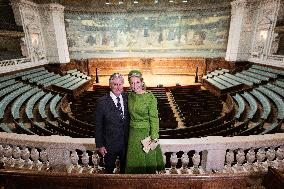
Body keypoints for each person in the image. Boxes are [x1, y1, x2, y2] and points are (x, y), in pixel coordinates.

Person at [125, 70, 165, 174]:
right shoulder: (130, 96)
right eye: (132, 83)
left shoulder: (149, 97)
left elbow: (154, 118)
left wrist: (154, 136)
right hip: (133, 133)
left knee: (147, 163)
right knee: (134, 162)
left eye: (137, 82)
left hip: (146, 134)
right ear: (129, 84)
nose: (134, 85)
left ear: (142, 82)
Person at [95, 73, 129, 174]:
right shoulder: (101, 102)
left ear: (123, 84)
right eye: (115, 84)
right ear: (110, 85)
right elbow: (98, 126)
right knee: (109, 170)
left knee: (125, 171)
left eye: (120, 84)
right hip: (109, 145)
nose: (118, 87)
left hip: (125, 144)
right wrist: (100, 145)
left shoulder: (128, 98)